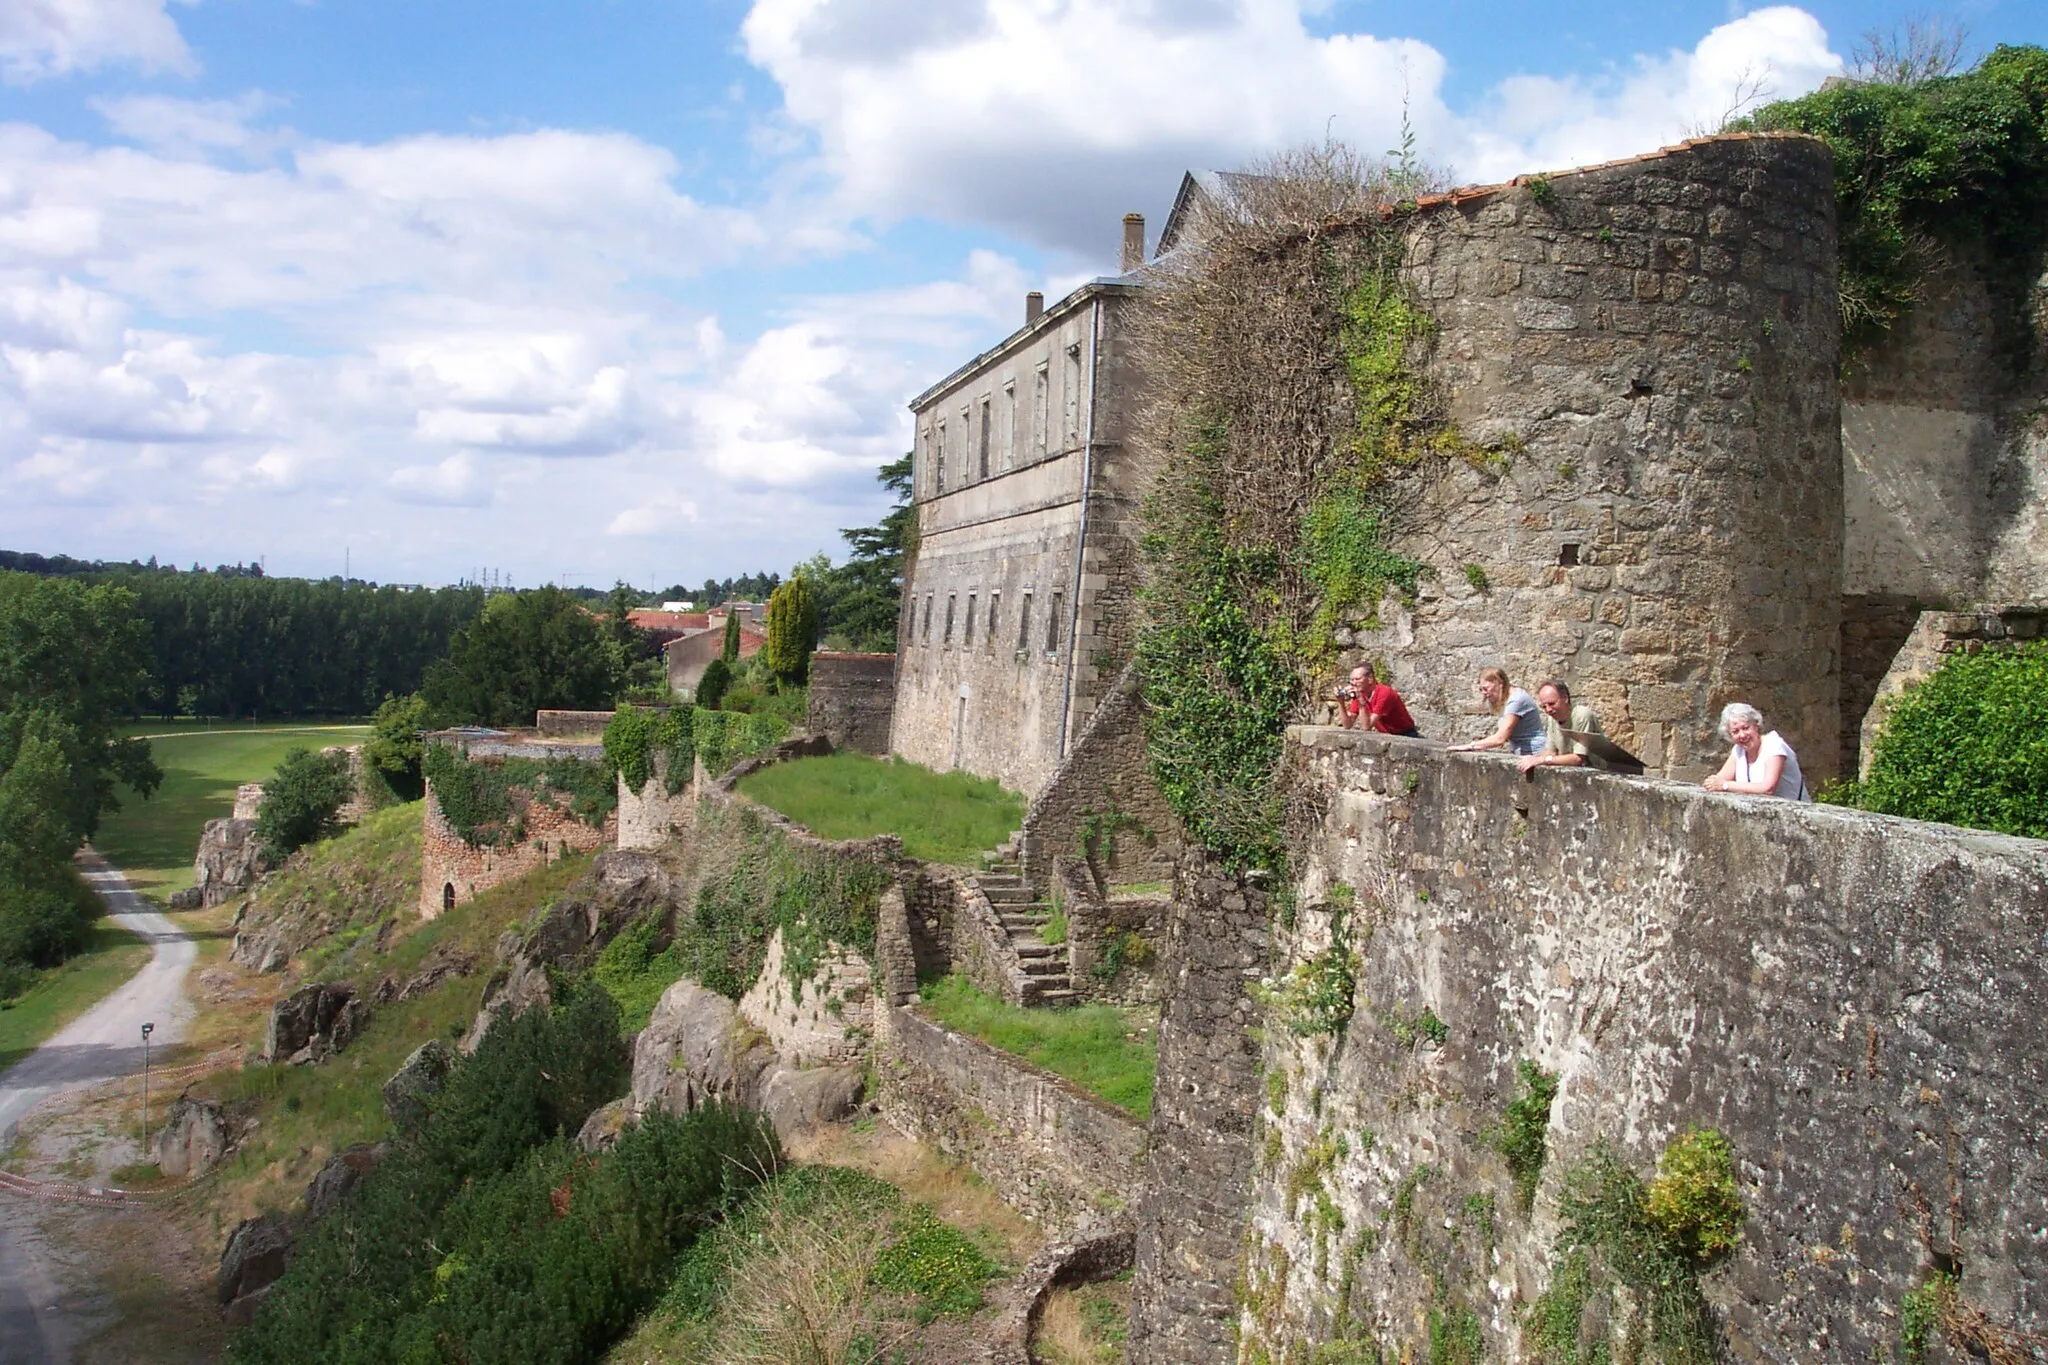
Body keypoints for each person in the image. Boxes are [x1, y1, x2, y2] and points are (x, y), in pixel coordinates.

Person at [1702, 702, 1809, 800]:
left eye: (1745, 728)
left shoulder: (1774, 745)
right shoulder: (1738, 750)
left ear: (1756, 726)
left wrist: (1725, 785)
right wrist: (1712, 783)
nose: (1742, 735)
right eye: (1735, 731)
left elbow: (1768, 788)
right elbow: (1719, 779)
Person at [1447, 668, 1546, 756]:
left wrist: (1470, 746)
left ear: (1500, 683)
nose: (1484, 693)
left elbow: (1500, 739)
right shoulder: (1505, 699)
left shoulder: (1517, 700)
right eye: (1481, 689)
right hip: (1521, 753)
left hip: (1536, 753)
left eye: (1486, 688)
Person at [1519, 679, 1609, 773]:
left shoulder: (1582, 715)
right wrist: (1533, 759)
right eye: (1544, 707)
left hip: (1597, 772)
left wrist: (1542, 760)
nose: (1548, 710)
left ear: (1565, 698)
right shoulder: (1552, 719)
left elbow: (1578, 758)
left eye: (1552, 704)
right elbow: (1551, 752)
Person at [1336, 663, 1420, 737]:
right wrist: (1341, 702)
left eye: (1357, 679)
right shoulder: (1360, 693)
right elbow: (1347, 725)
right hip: (1387, 734)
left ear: (1370, 679)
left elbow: (1366, 727)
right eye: (1352, 680)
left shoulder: (1385, 693)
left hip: (1405, 734)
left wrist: (1361, 703)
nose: (1353, 683)